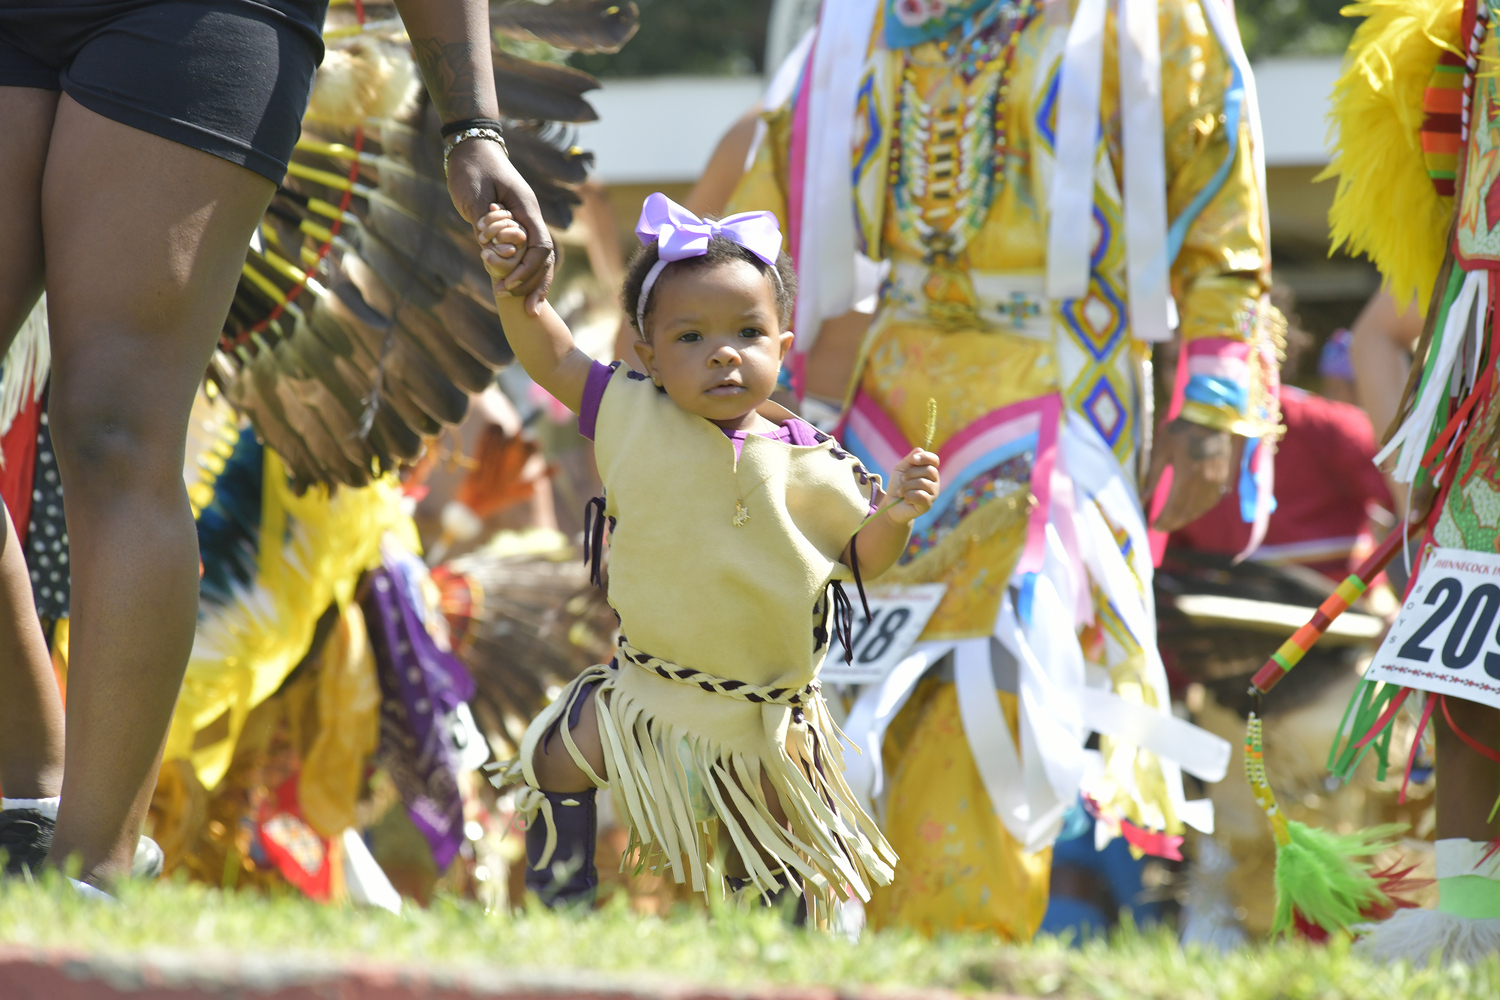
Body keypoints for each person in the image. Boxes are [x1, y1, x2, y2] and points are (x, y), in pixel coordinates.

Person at [720, 0, 1269, 937]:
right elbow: (775, 212)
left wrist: (1216, 395)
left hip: (1056, 379)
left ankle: (958, 942)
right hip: (886, 397)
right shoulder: (866, 21)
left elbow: (1222, 206)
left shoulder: (1145, 18)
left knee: (1005, 675)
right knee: (837, 681)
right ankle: (839, 944)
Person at [0, 0, 553, 888]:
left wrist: (473, 125)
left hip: (192, 22)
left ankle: (87, 869)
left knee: (114, 428)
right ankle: (25, 802)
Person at [481, 192, 941, 918]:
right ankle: (559, 906)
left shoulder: (816, 463)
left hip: (758, 711)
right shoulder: (630, 410)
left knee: (763, 838)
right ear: (649, 357)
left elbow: (863, 556)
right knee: (558, 759)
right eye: (690, 337)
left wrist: (900, 514)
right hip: (646, 690)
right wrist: (518, 290)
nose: (723, 352)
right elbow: (552, 354)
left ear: (783, 349)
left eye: (748, 332)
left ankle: (771, 943)